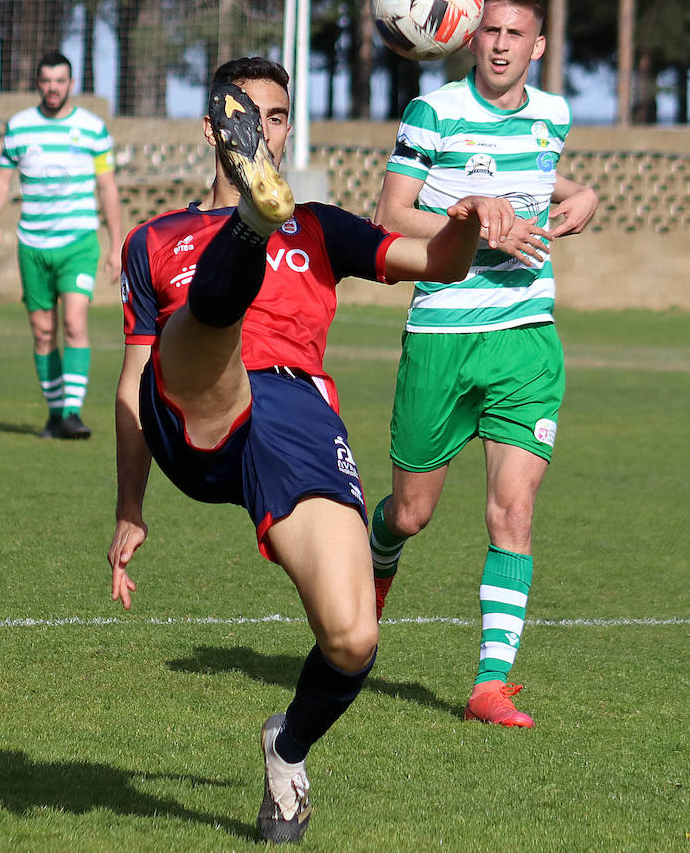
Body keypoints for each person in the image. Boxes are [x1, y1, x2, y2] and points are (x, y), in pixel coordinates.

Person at [106, 57, 513, 844]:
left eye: (279, 115)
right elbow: (131, 384)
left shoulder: (322, 226)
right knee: (207, 331)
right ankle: (247, 235)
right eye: (246, 115)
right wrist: (130, 505)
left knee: (354, 636)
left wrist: (466, 217)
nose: (265, 127)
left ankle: (286, 748)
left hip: (297, 417)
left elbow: (436, 263)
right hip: (192, 400)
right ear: (215, 129)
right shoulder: (154, 239)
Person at [368, 0, 598, 729]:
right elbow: (391, 215)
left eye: (515, 34)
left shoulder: (555, 115)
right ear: (472, 36)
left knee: (514, 510)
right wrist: (466, 212)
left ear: (537, 47)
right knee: (410, 514)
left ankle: (490, 684)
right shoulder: (432, 113)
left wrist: (583, 192)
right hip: (442, 336)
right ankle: (372, 571)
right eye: (490, 30)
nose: (500, 44)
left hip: (526, 337)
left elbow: (534, 168)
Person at [0, 51, 123, 439]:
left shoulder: (92, 129)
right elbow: (1, 179)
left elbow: (107, 187)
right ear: (38, 83)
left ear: (71, 84)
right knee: (43, 332)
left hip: (78, 242)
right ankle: (56, 414)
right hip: (32, 245)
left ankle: (72, 414)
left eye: (60, 81)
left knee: (75, 324)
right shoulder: (20, 127)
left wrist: (116, 245)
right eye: (46, 80)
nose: (53, 87)